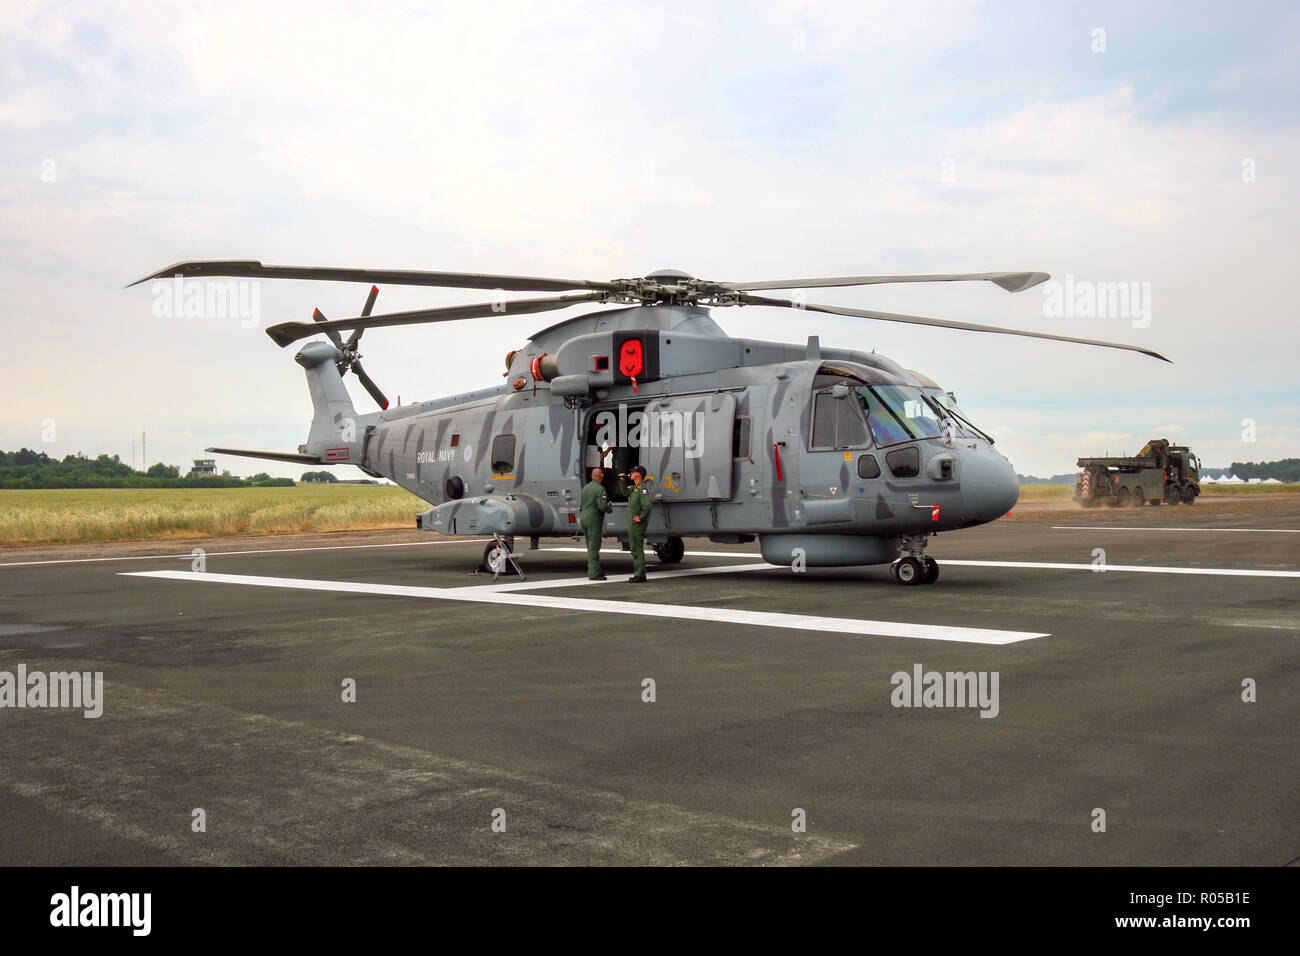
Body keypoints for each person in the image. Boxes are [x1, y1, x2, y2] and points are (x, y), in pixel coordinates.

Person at [618, 465, 653, 583]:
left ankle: (640, 575)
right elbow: (624, 493)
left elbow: (647, 504)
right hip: (633, 524)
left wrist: (641, 517)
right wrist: (622, 481)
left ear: (639, 474)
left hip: (637, 524)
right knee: (634, 548)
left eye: (633, 472)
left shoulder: (642, 488)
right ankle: (639, 573)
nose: (631, 474)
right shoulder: (635, 488)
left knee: (637, 549)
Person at [580, 467, 613, 580]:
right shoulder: (600, 489)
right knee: (594, 546)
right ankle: (594, 573)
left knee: (590, 546)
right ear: (601, 476)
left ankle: (597, 569)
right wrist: (610, 509)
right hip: (593, 519)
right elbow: (602, 506)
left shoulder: (586, 488)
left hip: (584, 517)